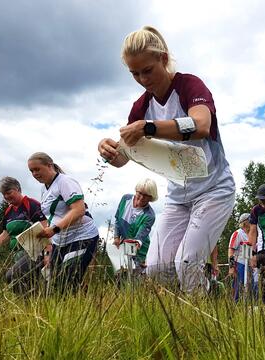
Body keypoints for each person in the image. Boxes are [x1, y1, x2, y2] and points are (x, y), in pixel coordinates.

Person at [97, 26, 235, 293]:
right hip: (178, 196)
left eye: (147, 70)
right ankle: (203, 294)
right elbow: (124, 157)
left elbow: (201, 125)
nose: (142, 79)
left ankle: (202, 310)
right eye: (134, 73)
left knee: (187, 262)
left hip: (214, 190)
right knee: (158, 268)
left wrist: (148, 127)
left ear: (163, 58)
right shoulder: (141, 106)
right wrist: (109, 151)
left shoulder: (188, 85)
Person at [28, 152, 99, 293]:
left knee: (66, 282)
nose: (34, 174)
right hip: (60, 241)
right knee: (53, 281)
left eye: (37, 169)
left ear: (49, 165)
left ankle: (81, 307)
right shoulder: (44, 188)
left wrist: (54, 229)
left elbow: (79, 210)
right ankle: (82, 299)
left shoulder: (65, 182)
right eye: (31, 171)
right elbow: (53, 216)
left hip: (82, 237)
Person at [0, 176, 47, 293]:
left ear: (18, 189)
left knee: (12, 275)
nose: (6, 197)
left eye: (9, 192)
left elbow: (45, 226)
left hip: (34, 252)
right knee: (25, 283)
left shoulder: (31, 204)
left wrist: (48, 252)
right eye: (3, 194)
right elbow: (5, 235)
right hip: (17, 254)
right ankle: (26, 307)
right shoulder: (9, 211)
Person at [113, 178, 157, 276]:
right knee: (119, 274)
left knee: (133, 277)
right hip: (122, 244)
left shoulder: (150, 215)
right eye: (140, 193)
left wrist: (134, 246)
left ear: (151, 197)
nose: (141, 198)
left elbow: (139, 237)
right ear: (136, 191)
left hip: (138, 248)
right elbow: (117, 219)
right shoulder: (125, 199)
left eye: (146, 196)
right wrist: (116, 237)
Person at [228, 213, 253, 301]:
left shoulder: (253, 234)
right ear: (245, 222)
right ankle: (235, 306)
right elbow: (231, 250)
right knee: (238, 286)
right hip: (239, 264)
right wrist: (231, 267)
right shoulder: (238, 233)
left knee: (251, 287)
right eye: (250, 219)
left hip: (250, 265)